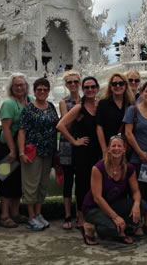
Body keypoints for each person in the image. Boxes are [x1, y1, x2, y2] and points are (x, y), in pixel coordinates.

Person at [56, 76, 102, 234]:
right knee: (82, 184)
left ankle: (93, 213)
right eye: (87, 87)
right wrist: (74, 141)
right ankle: (80, 216)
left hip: (97, 150)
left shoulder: (99, 105)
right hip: (82, 150)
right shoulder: (78, 108)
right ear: (83, 90)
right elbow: (60, 125)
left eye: (92, 87)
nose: (90, 90)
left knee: (94, 184)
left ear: (97, 88)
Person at [82, 135, 143, 245]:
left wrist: (136, 205)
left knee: (142, 206)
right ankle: (91, 227)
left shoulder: (129, 168)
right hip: (94, 208)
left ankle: (117, 227)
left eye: (119, 146)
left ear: (124, 149)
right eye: (113, 146)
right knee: (112, 228)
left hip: (112, 204)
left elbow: (136, 191)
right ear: (108, 149)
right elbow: (97, 198)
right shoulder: (98, 168)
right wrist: (115, 217)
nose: (116, 148)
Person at [18, 78, 59, 231]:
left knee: (43, 184)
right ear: (34, 91)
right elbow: (22, 131)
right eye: (39, 89)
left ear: (48, 91)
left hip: (48, 151)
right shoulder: (28, 108)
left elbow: (57, 126)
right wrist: (21, 152)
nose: (42, 92)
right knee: (31, 184)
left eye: (45, 89)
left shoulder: (51, 107)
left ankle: (38, 213)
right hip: (32, 152)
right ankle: (31, 216)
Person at [123, 81, 147, 235]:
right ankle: (137, 224)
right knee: (136, 192)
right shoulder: (132, 110)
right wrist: (139, 152)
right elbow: (128, 133)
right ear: (142, 92)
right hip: (137, 159)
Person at [0, 73, 32, 228]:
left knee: (18, 180)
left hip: (22, 147)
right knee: (6, 180)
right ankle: (4, 215)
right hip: (7, 147)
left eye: (22, 85)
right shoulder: (9, 103)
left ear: (26, 86)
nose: (20, 88)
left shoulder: (29, 101)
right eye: (16, 85)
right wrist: (12, 150)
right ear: (11, 87)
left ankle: (15, 213)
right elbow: (6, 129)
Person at [58, 71, 82, 230]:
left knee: (81, 182)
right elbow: (65, 124)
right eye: (70, 82)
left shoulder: (87, 99)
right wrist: (79, 116)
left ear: (79, 83)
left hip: (82, 145)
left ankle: (80, 214)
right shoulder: (63, 102)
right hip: (68, 144)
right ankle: (67, 214)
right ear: (66, 85)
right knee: (68, 181)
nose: (73, 85)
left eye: (75, 82)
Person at [96, 73, 135, 155]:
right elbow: (99, 127)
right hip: (109, 147)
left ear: (125, 86)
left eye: (121, 83)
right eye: (114, 84)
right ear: (110, 86)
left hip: (126, 147)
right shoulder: (103, 103)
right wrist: (104, 149)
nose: (118, 86)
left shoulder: (130, 104)